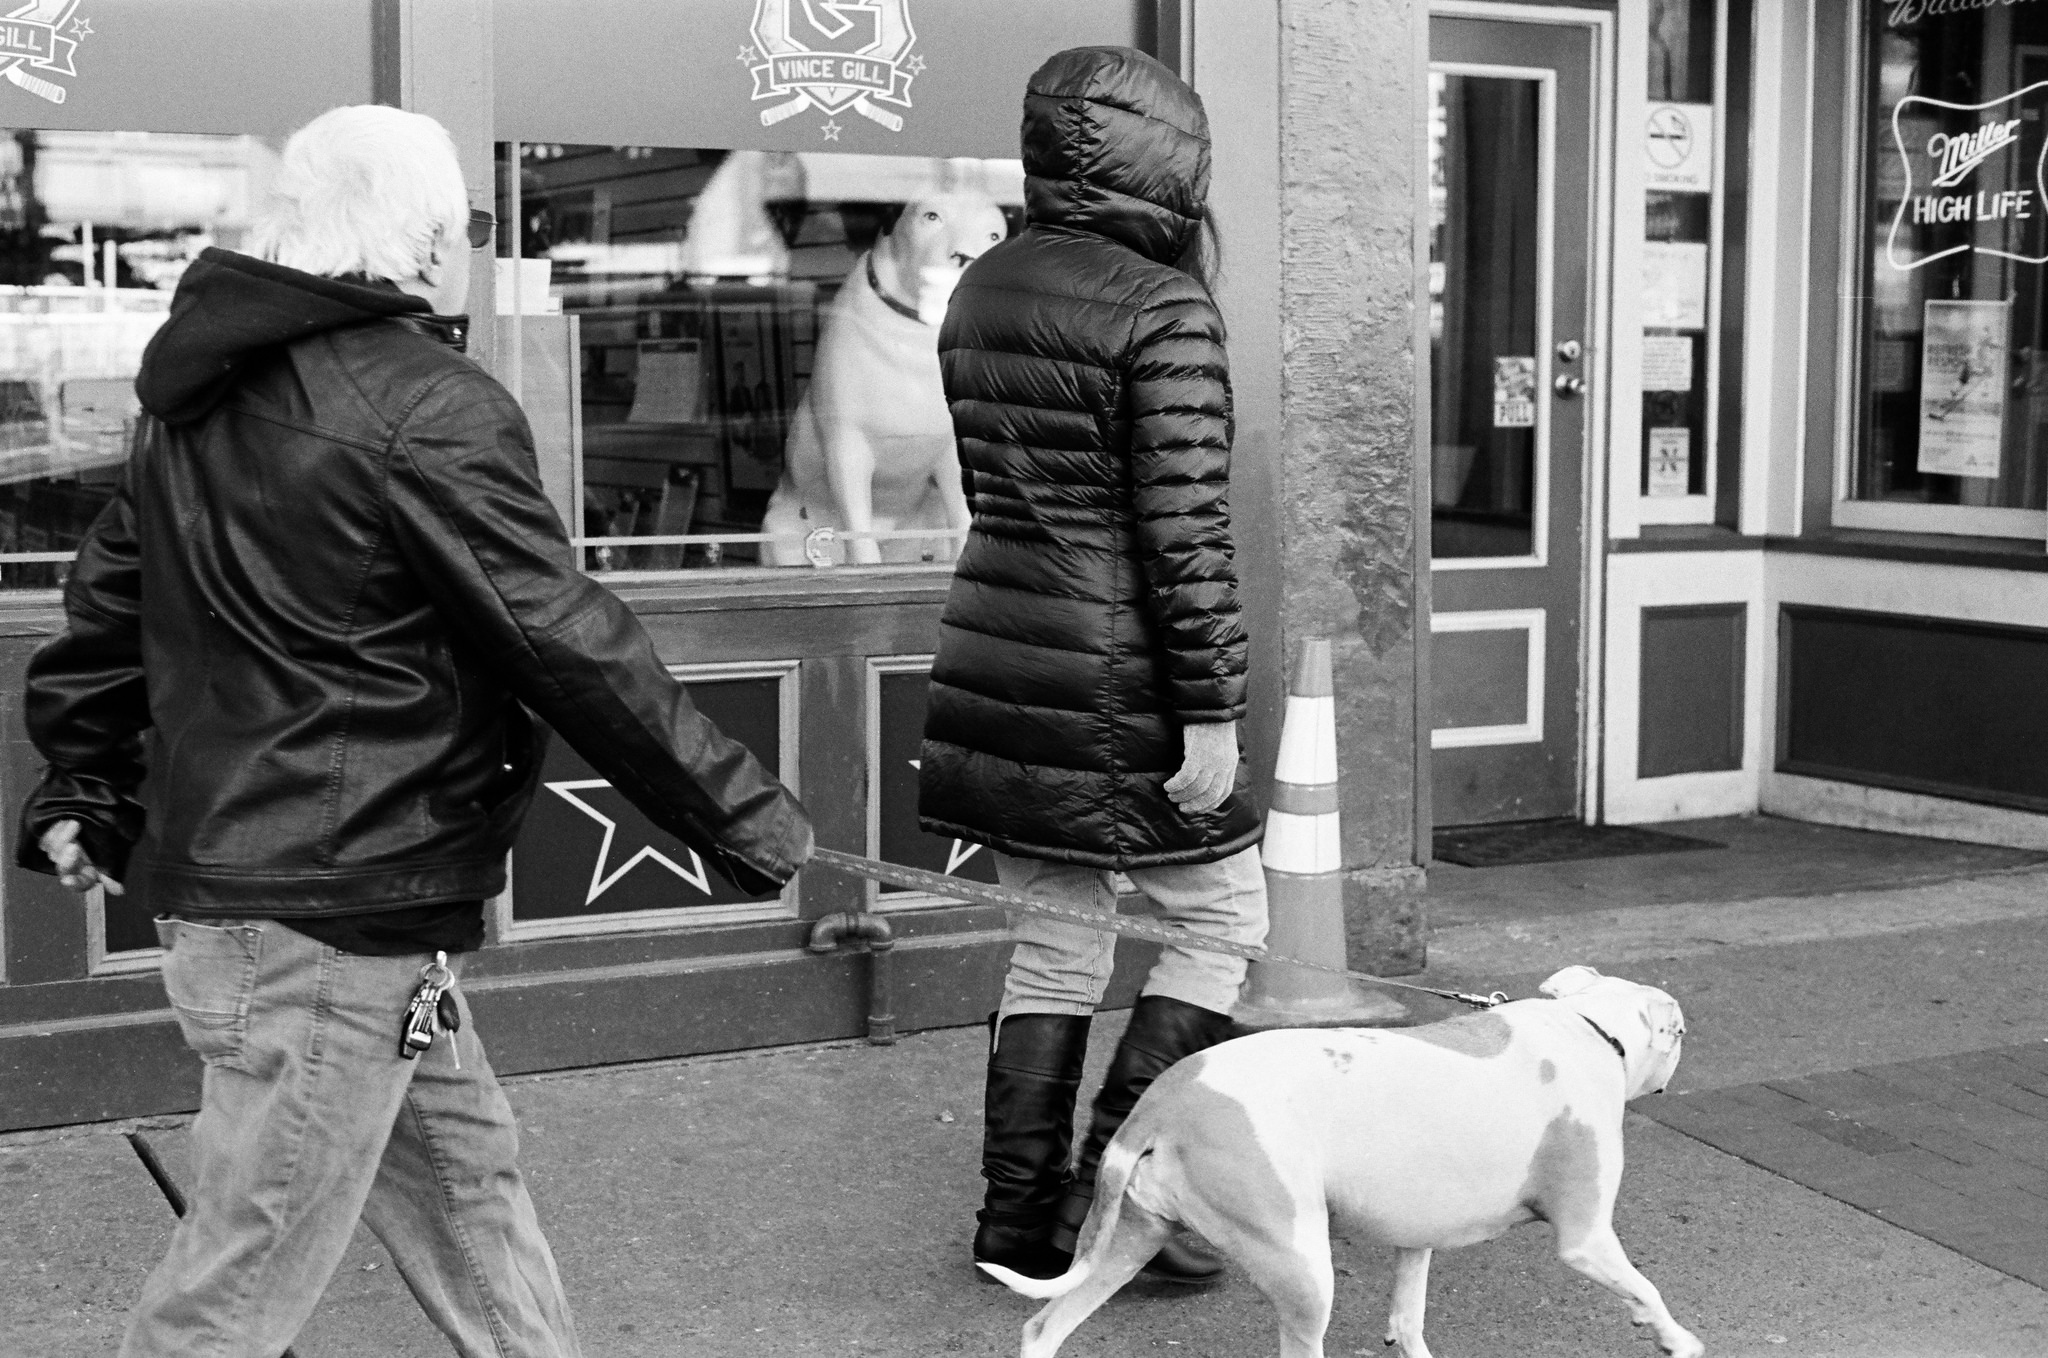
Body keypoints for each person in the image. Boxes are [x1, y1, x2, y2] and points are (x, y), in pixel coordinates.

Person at [19, 104, 812, 1358]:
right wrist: (743, 811)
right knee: (236, 1281)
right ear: (429, 234)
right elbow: (556, 628)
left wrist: (83, 782)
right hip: (337, 909)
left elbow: (111, 605)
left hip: (305, 905)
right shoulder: (426, 401)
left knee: (465, 1182)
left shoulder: (191, 394)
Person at [917, 47, 1268, 1288]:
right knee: (1225, 920)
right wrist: (1212, 712)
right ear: (1171, 163)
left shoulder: (980, 286)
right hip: (1120, 673)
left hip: (998, 648)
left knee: (1056, 942)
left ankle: (1020, 1218)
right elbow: (1184, 532)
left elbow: (1000, 495)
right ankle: (1117, 1193)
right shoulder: (1161, 307)